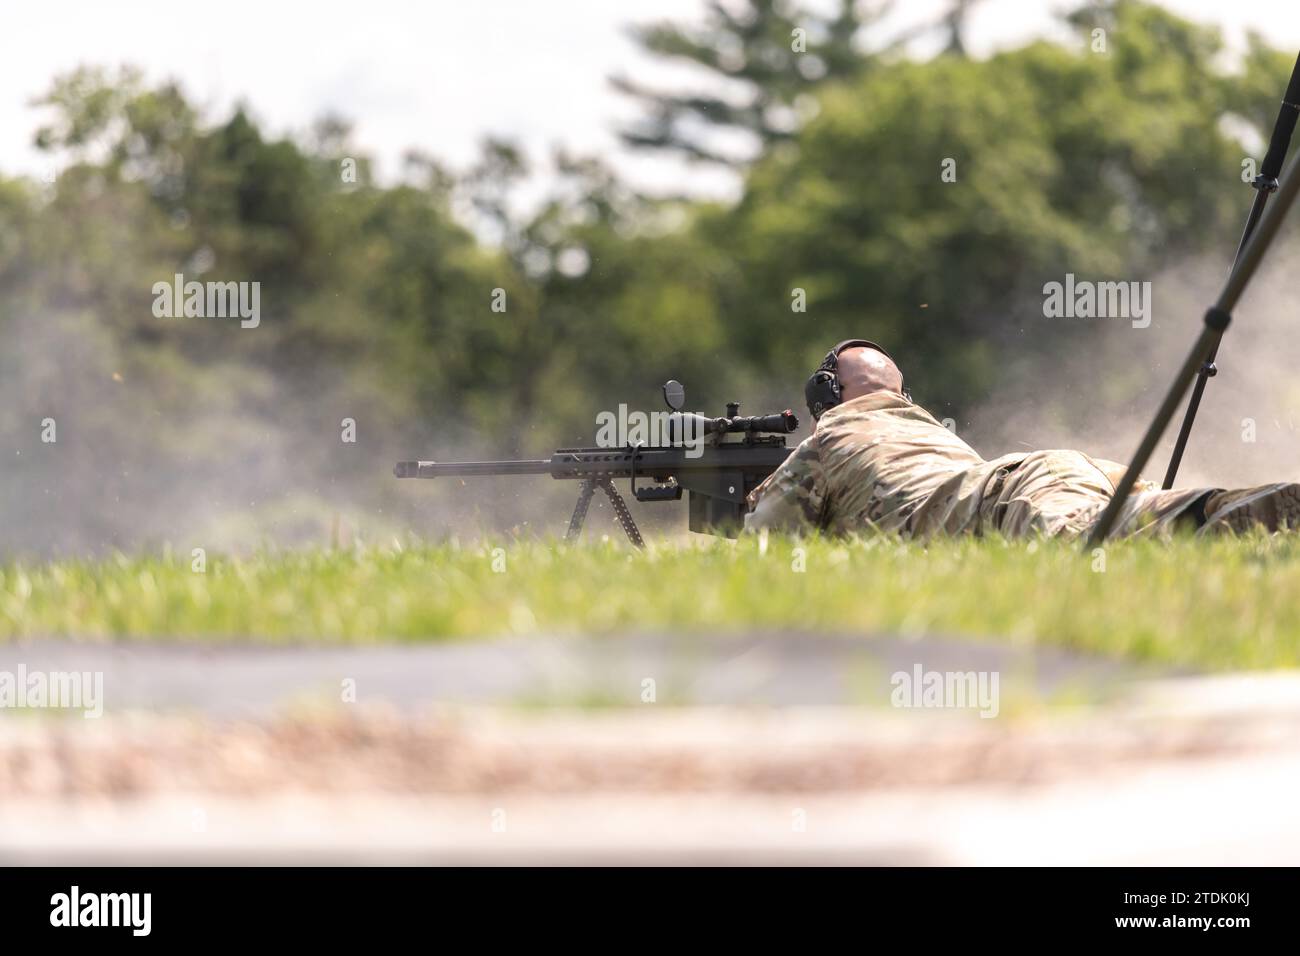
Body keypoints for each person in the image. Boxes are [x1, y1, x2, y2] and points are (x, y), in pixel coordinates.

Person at [744, 339, 1300, 539]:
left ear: (825, 395)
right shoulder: (928, 431)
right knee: (1150, 516)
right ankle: (1247, 506)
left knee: (1104, 544)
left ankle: (1267, 506)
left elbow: (768, 545)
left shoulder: (829, 438)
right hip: (1049, 470)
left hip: (1008, 501)